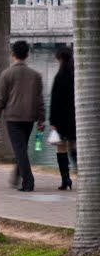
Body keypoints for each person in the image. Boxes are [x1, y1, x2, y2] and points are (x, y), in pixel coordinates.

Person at [0, 40, 45, 191]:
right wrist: (42, 119)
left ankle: (28, 182)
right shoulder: (36, 75)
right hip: (30, 117)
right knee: (21, 148)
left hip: (13, 117)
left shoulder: (6, 74)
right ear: (27, 54)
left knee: (19, 149)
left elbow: (0, 98)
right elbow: (40, 100)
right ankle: (16, 176)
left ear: (12, 54)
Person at [50, 46, 76, 190]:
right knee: (73, 146)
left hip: (61, 120)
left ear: (60, 59)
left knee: (61, 149)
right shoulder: (75, 75)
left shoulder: (59, 77)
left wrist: (53, 121)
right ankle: (80, 171)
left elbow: (55, 101)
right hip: (74, 118)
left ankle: (65, 179)